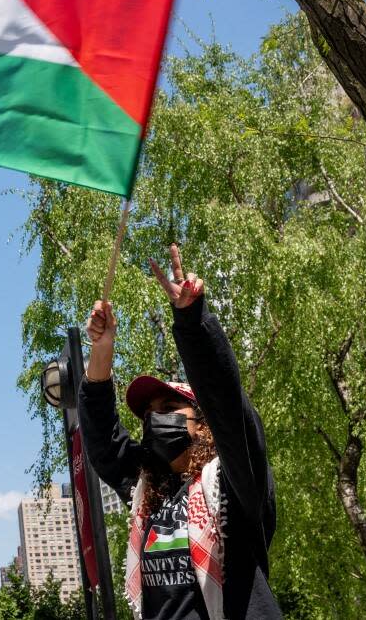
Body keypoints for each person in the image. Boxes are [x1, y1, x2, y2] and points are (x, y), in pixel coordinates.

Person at [79, 244, 280, 620]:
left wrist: (191, 320)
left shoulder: (235, 486)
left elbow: (226, 402)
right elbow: (102, 440)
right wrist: (102, 349)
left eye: (170, 409)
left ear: (203, 426)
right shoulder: (146, 494)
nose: (156, 420)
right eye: (150, 414)